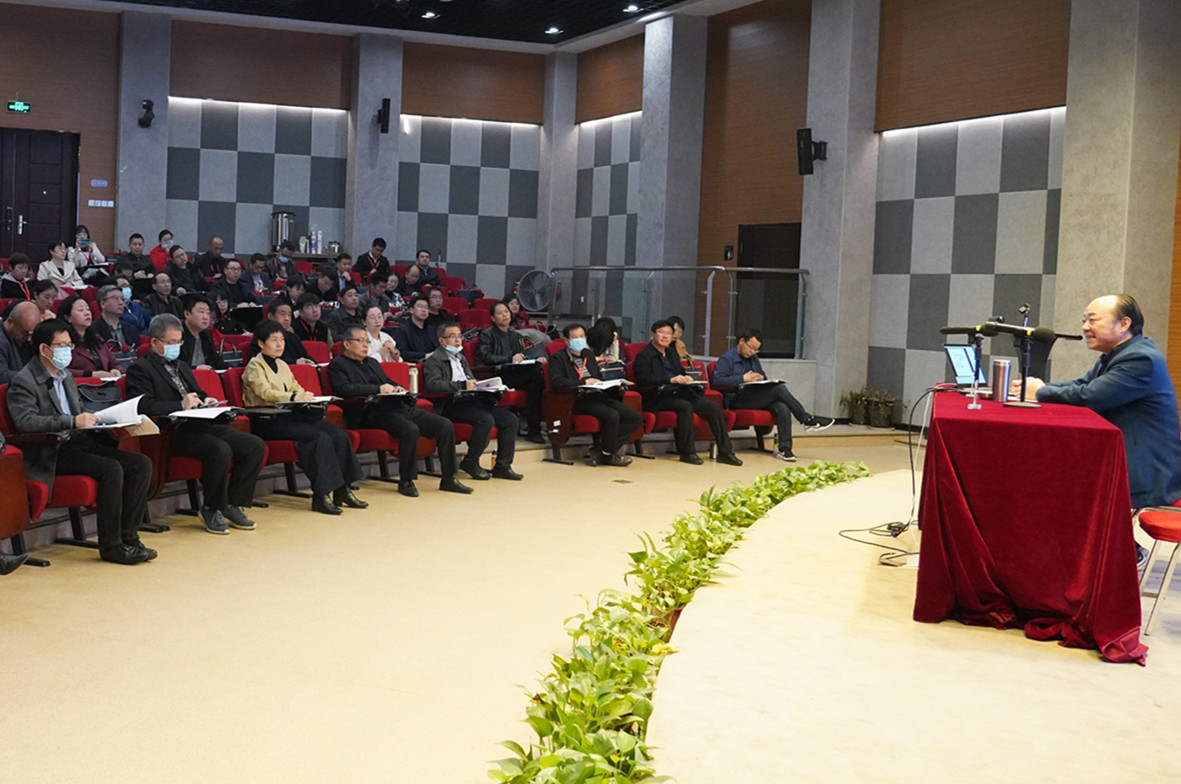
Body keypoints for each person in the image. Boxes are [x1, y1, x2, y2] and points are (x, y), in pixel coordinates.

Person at [6, 319, 154, 564]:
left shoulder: (64, 376)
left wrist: (104, 418)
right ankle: (112, 546)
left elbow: (79, 409)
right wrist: (73, 421)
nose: (68, 351)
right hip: (52, 451)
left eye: (69, 345)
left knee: (141, 464)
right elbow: (26, 422)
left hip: (79, 442)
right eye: (62, 345)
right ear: (44, 349)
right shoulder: (24, 380)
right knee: (111, 469)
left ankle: (129, 538)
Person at [1018, 294, 1181, 516]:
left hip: (1147, 472)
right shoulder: (1120, 353)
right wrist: (1038, 388)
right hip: (1129, 460)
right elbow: (1082, 384)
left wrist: (1040, 392)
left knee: (1056, 481)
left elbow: (1090, 396)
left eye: (1092, 320)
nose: (1085, 327)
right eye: (1084, 320)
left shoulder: (1140, 359)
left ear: (1124, 324)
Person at [127, 314, 266, 534]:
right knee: (219, 449)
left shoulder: (182, 366)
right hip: (173, 431)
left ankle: (231, 504)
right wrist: (180, 405)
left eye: (179, 342)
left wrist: (206, 400)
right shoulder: (140, 369)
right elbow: (143, 405)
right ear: (154, 342)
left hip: (200, 424)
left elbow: (197, 394)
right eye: (171, 342)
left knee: (254, 445)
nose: (176, 347)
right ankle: (211, 508)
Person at [328, 324, 471, 498]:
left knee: (444, 425)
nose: (365, 345)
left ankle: (449, 478)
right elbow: (344, 389)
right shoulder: (337, 365)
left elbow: (387, 380)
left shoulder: (372, 362)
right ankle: (406, 481)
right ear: (347, 344)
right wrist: (378, 389)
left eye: (367, 341)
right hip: (371, 412)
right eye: (360, 341)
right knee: (410, 429)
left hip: (396, 406)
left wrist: (398, 388)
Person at [241, 320, 366, 515]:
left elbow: (295, 386)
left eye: (282, 339)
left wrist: (304, 394)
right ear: (260, 343)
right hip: (268, 420)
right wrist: (292, 397)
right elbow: (264, 393)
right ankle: (321, 495)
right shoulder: (254, 366)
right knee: (318, 437)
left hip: (291, 416)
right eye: (273, 340)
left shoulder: (282, 364)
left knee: (338, 435)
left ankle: (343, 490)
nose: (279, 344)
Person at [713, 328, 834, 462]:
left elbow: (762, 376)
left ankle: (785, 449)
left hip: (754, 396)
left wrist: (761, 378)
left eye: (756, 350)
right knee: (779, 389)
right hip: (736, 399)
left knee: (782, 407)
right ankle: (806, 418)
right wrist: (742, 378)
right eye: (750, 348)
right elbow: (717, 381)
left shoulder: (753, 358)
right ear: (741, 341)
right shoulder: (727, 359)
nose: (752, 352)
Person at [633, 319, 742, 466]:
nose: (665, 336)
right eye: (661, 333)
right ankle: (687, 452)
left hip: (679, 391)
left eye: (668, 333)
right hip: (658, 395)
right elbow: (644, 379)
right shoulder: (643, 356)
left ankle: (725, 452)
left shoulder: (671, 353)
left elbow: (680, 372)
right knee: (685, 407)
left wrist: (687, 378)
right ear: (653, 335)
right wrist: (670, 379)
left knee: (713, 407)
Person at [423, 322, 523, 481]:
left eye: (459, 336)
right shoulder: (434, 360)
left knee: (510, 419)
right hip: (453, 404)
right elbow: (433, 385)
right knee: (485, 419)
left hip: (473, 401)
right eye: (452, 337)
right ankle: (471, 462)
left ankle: (503, 466)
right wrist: (461, 385)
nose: (458, 340)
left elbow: (471, 380)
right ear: (442, 341)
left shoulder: (461, 358)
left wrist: (490, 388)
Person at [549, 323, 643, 466]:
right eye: (575, 337)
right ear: (567, 341)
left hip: (598, 395)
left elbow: (598, 376)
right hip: (577, 399)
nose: (579, 340)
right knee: (612, 415)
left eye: (582, 336)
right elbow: (557, 382)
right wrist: (583, 382)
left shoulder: (588, 354)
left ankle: (602, 450)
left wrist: (607, 385)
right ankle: (609, 454)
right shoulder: (558, 358)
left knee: (635, 417)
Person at [476, 300, 546, 444]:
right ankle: (534, 430)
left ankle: (533, 430)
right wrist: (509, 359)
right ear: (493, 318)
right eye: (500, 313)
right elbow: (485, 356)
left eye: (506, 312)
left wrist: (534, 359)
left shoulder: (514, 335)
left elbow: (520, 356)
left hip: (515, 373)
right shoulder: (486, 334)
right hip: (497, 373)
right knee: (535, 376)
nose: (504, 315)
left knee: (536, 381)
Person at [60, 294, 121, 379]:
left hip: (106, 383)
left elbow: (115, 363)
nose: (87, 313)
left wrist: (116, 370)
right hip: (80, 385)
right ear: (67, 317)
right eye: (80, 310)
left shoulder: (97, 339)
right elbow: (59, 370)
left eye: (88, 309)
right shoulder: (62, 342)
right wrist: (90, 374)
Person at [179, 294, 226, 371]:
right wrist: (195, 369)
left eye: (208, 313)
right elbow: (173, 365)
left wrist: (229, 368)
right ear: (187, 314)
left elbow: (215, 359)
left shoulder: (205, 334)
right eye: (201, 312)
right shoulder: (176, 335)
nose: (205, 317)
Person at [266, 298, 316, 365]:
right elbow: (269, 361)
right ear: (270, 316)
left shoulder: (293, 337)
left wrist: (312, 362)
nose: (287, 319)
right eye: (282, 314)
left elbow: (304, 355)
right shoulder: (263, 336)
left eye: (289, 315)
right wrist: (295, 363)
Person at [92, 284, 141, 351]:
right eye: (115, 299)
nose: (121, 303)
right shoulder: (93, 329)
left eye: (122, 299)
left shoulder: (131, 328)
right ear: (103, 304)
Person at [0, 300, 38, 383]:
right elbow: (2, 376)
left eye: (31, 334)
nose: (29, 339)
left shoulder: (23, 337)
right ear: (10, 322)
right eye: (25, 333)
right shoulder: (2, 342)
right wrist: (34, 377)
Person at [393, 296, 435, 363]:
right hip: (414, 365)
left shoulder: (432, 329)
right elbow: (403, 353)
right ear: (411, 310)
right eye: (420, 306)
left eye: (426, 307)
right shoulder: (402, 330)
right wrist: (425, 355)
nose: (424, 310)